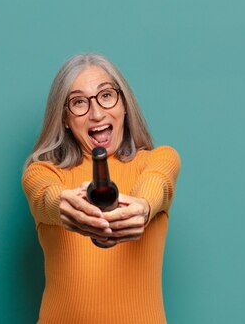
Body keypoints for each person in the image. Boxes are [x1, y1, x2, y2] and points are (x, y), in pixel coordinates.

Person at [21, 53, 180, 324]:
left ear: (124, 104)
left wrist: (142, 208)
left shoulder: (158, 159)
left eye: (106, 96)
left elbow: (157, 182)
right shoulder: (42, 172)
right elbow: (45, 197)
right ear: (65, 118)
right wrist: (66, 206)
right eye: (79, 102)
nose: (96, 113)